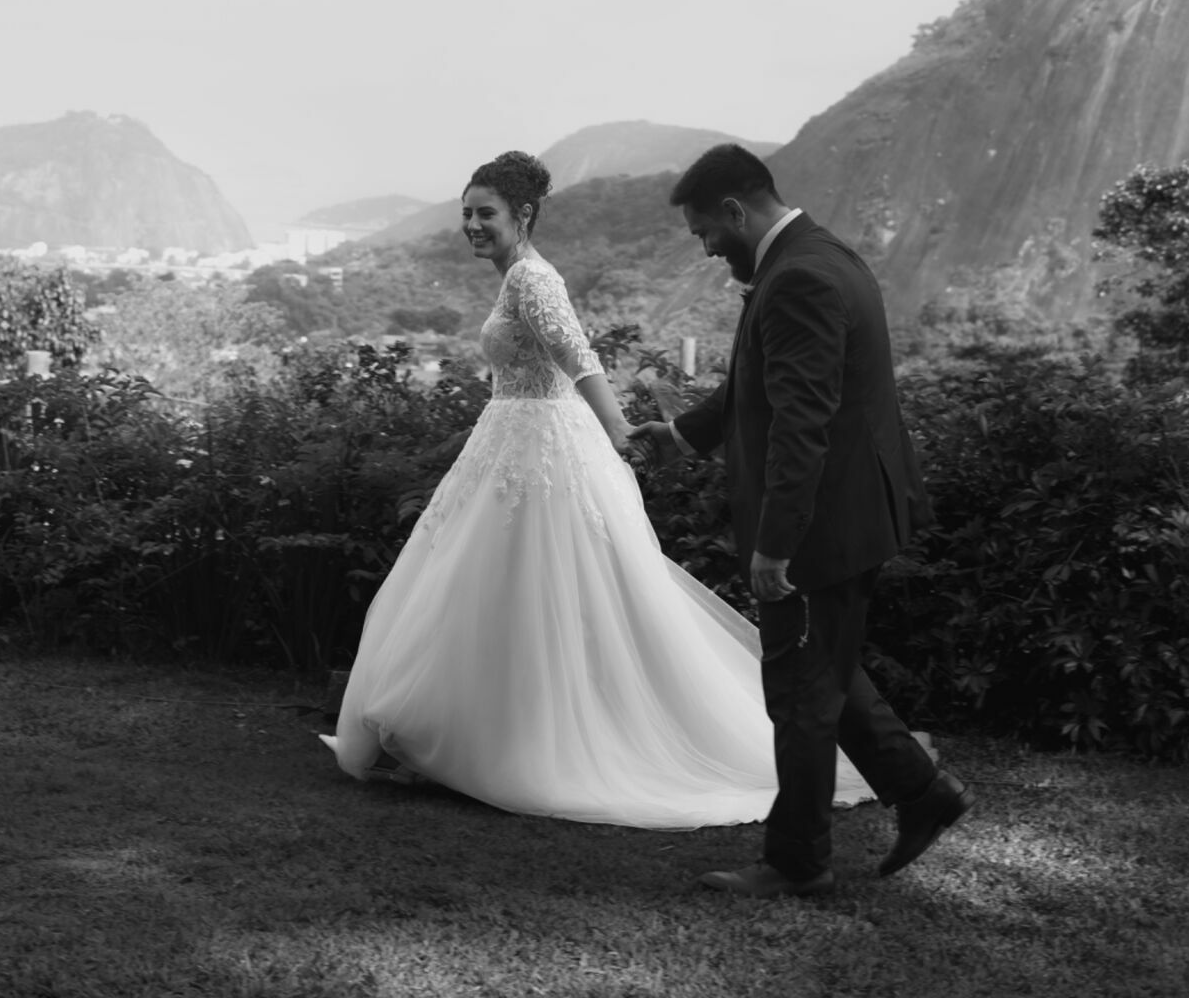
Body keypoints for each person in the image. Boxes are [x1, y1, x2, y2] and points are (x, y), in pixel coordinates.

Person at [322, 150, 873, 828]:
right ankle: (462, 736)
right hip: (509, 443)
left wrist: (620, 431)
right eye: (466, 213)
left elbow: (579, 359)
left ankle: (507, 743)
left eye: (485, 213)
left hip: (543, 452)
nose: (471, 224)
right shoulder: (515, 278)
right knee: (482, 592)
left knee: (522, 591)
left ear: (523, 214)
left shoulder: (530, 278)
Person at [629, 143, 971, 897]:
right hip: (848, 511)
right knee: (826, 674)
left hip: (822, 525)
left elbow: (802, 426)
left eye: (704, 233)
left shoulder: (801, 279)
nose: (708, 247)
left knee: (799, 696)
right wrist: (684, 433)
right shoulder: (815, 258)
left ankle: (796, 862)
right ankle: (923, 794)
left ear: (733, 211)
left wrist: (776, 547)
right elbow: (758, 383)